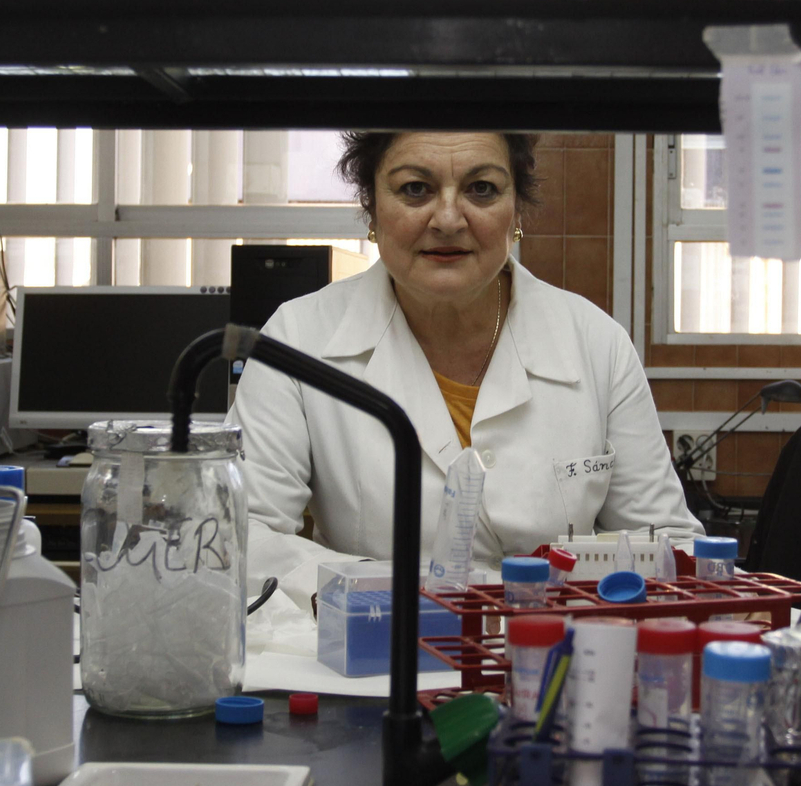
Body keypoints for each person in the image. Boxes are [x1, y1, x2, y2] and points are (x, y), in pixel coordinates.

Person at [231, 131, 702, 609]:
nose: (450, 219)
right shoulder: (298, 339)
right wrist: (393, 594)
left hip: (550, 660)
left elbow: (665, 540)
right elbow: (243, 535)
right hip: (375, 659)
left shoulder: (596, 343)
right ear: (372, 210)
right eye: (416, 188)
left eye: (482, 189)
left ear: (516, 213)